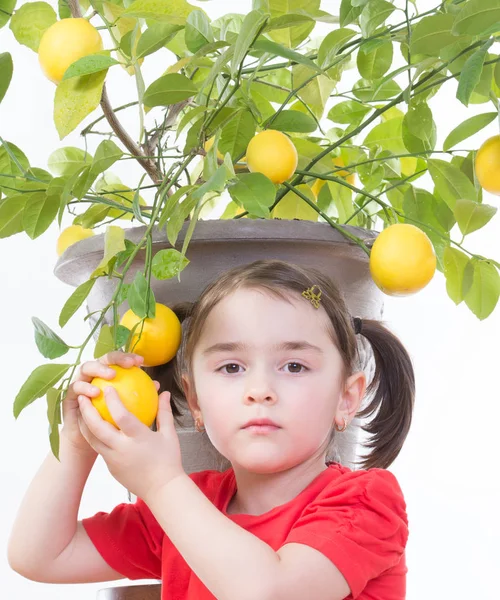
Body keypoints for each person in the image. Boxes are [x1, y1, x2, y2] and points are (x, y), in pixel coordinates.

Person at [8, 258, 415, 599]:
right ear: (196, 400)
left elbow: (269, 592)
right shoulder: (189, 507)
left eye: (294, 366)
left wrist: (163, 484)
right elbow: (39, 555)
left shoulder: (364, 502)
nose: (260, 391)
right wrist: (79, 444)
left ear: (346, 398)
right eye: (231, 367)